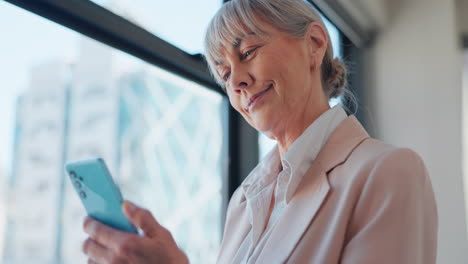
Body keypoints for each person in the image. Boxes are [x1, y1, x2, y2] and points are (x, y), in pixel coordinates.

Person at [81, 0, 438, 263]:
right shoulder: (243, 201)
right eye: (223, 74)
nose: (235, 81)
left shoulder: (389, 173)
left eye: (248, 52)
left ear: (314, 44)